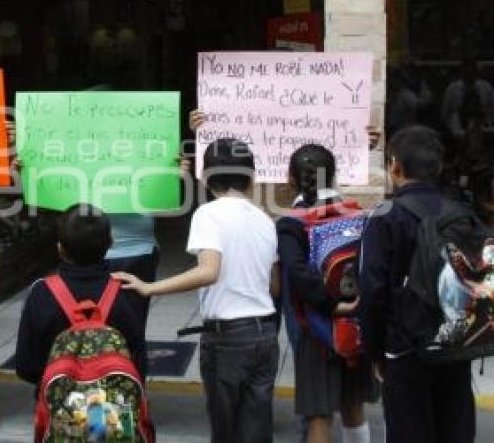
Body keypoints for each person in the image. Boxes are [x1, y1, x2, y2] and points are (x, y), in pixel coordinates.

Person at [115, 138, 279, 443]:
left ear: (204, 178)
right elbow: (274, 284)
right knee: (257, 430)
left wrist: (149, 287)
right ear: (252, 178)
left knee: (226, 431)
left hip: (228, 338)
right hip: (265, 334)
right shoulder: (265, 220)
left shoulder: (208, 214)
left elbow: (208, 271)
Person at [359, 126, 475, 443]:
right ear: (438, 168)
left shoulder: (385, 215)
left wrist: (374, 352)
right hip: (456, 345)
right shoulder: (461, 213)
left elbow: (372, 291)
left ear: (394, 164)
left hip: (405, 349)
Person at [277, 145, 377, 443]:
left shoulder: (291, 223)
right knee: (353, 405)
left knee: (319, 414)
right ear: (334, 175)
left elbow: (297, 272)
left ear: (291, 178)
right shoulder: (356, 215)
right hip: (355, 325)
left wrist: (331, 306)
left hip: (315, 330)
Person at [15, 204, 147, 386]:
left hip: (60, 409)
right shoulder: (128, 291)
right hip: (117, 408)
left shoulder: (41, 293)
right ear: (110, 244)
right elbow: (139, 363)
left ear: (60, 248)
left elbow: (25, 367)